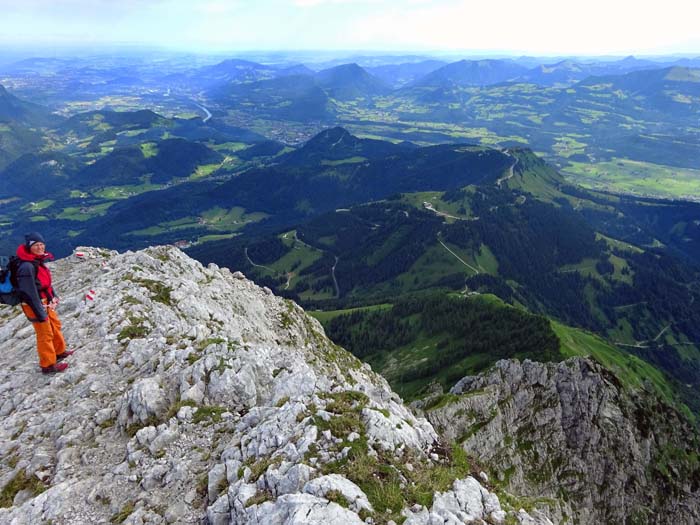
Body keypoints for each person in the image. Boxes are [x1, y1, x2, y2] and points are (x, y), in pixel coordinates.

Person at [16, 232, 73, 373]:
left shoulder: (37, 262)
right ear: (30, 247)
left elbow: (45, 283)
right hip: (35, 304)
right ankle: (47, 365)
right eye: (36, 245)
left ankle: (59, 352)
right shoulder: (27, 267)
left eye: (42, 244)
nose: (40, 247)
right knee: (44, 333)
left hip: (45, 302)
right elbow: (28, 292)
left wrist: (53, 296)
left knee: (55, 325)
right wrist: (39, 311)